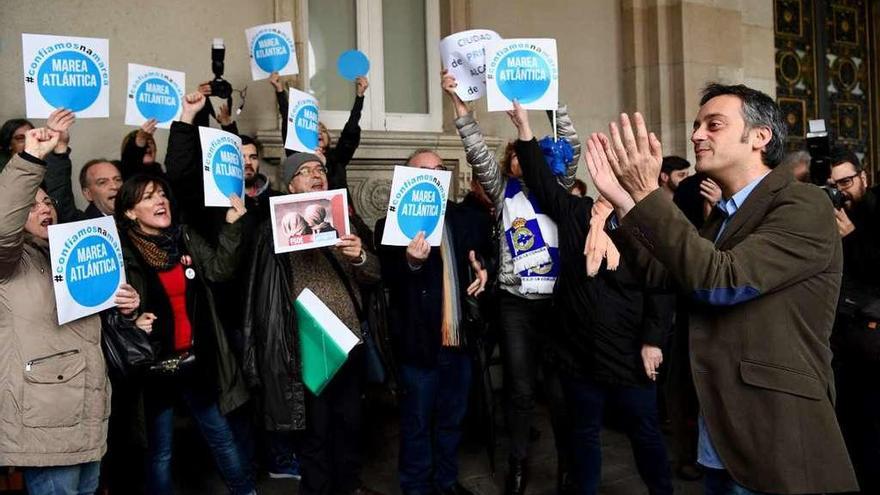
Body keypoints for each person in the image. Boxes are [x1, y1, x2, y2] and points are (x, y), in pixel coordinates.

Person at [585, 83, 858, 494]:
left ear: (760, 137)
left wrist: (646, 192)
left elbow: (719, 281)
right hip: (720, 430)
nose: (697, 135)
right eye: (697, 126)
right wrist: (625, 202)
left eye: (714, 125)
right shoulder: (726, 217)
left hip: (774, 431)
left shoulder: (804, 204)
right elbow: (667, 275)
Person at [504, 103, 674, 495]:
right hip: (578, 353)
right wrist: (526, 128)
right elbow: (543, 182)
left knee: (644, 433)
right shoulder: (578, 213)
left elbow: (661, 285)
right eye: (605, 174)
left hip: (629, 352)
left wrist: (653, 340)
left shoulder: (647, 222)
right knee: (583, 435)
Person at [444, 71, 577, 494]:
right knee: (519, 389)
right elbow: (476, 151)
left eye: (529, 153)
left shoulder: (559, 186)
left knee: (558, 392)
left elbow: (569, 142)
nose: (521, 160)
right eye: (516, 157)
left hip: (558, 304)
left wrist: (553, 94)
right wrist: (460, 106)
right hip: (516, 303)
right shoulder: (504, 193)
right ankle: (518, 465)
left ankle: (568, 468)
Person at [0, 127, 140, 495]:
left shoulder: (65, 256)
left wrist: (124, 308)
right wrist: (32, 159)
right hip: (45, 421)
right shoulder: (9, 262)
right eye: (31, 203)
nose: (44, 207)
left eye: (47, 201)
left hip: (87, 412)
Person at [243, 151, 382, 495]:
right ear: (290, 185)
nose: (315, 175)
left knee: (350, 426)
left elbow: (375, 276)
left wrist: (361, 256)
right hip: (307, 344)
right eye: (304, 172)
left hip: (348, 341)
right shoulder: (271, 230)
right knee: (315, 434)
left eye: (319, 169)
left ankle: (349, 486)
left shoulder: (345, 221)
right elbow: (263, 291)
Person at [114, 174, 253, 495]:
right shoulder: (122, 252)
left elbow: (220, 269)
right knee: (160, 452)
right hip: (152, 368)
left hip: (195, 360)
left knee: (222, 437)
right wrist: (132, 322)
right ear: (130, 212)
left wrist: (232, 226)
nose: (160, 200)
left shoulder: (185, 238)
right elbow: (106, 309)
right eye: (148, 197)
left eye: (162, 194)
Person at [376, 148, 491, 495]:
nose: (434, 176)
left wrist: (483, 268)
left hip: (459, 342)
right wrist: (410, 262)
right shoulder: (392, 224)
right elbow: (387, 277)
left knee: (451, 421)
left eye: (440, 169)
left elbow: (484, 254)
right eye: (425, 171)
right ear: (407, 180)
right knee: (416, 424)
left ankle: (446, 481)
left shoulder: (466, 217)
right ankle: (415, 487)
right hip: (418, 344)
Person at [826, 146, 880, 493]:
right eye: (832, 184)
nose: (840, 190)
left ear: (863, 177)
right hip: (840, 338)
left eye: (846, 181)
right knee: (848, 422)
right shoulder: (827, 212)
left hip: (872, 338)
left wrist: (852, 236)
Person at [271, 71, 368, 190]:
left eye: (323, 130)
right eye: (314, 130)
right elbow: (289, 123)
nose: (319, 133)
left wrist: (360, 97)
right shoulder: (297, 156)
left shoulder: (337, 158)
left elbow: (350, 130)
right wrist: (280, 91)